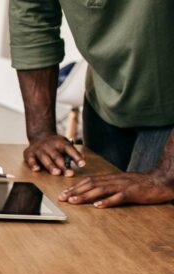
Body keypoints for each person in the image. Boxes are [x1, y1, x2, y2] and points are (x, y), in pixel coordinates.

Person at [10, 0, 174, 207]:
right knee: (95, 222)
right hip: (104, 100)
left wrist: (166, 175)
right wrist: (41, 132)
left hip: (168, 111)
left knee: (149, 231)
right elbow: (32, 15)